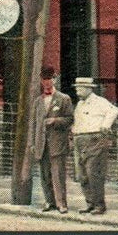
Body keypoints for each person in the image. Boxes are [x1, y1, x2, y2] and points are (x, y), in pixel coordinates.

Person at [71, 76, 118, 214]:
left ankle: (99, 205)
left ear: (88, 89)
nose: (77, 91)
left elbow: (114, 110)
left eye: (80, 88)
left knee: (94, 173)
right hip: (79, 140)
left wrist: (105, 125)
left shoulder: (99, 101)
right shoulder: (80, 104)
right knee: (82, 175)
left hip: (94, 140)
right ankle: (90, 203)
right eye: (76, 88)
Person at [33, 65, 73, 213]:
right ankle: (49, 201)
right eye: (44, 79)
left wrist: (55, 121)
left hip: (57, 144)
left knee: (58, 175)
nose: (47, 82)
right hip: (41, 144)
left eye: (50, 79)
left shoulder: (64, 99)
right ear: (41, 81)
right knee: (45, 175)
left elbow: (70, 119)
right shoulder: (37, 101)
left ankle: (61, 204)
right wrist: (33, 143)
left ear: (55, 79)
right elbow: (34, 124)